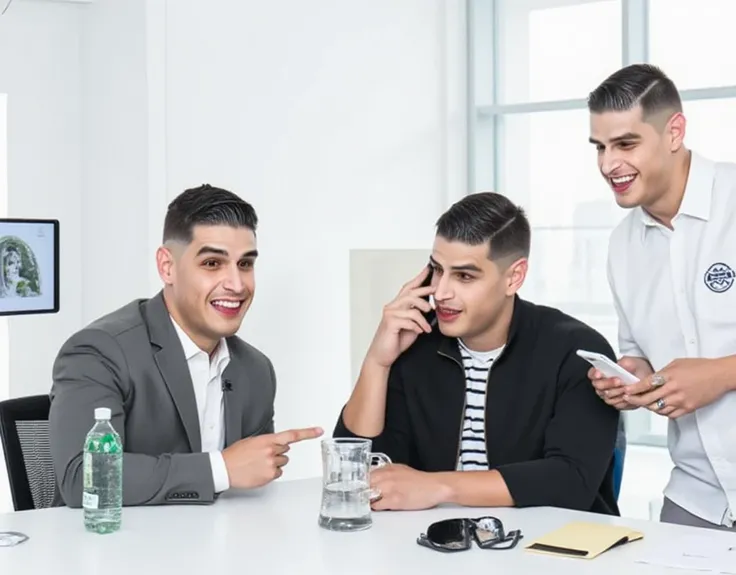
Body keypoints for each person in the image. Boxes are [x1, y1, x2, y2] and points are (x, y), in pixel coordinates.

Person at [333, 192, 621, 515]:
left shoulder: (576, 352)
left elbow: (571, 481)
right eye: (437, 269)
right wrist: (377, 362)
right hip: (436, 547)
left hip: (550, 551)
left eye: (464, 276)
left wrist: (438, 485)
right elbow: (356, 471)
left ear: (514, 277)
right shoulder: (416, 343)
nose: (441, 293)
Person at [50, 184, 323, 508]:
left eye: (245, 264)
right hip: (112, 553)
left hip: (218, 551)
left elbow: (247, 494)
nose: (236, 285)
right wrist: (221, 468)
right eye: (212, 264)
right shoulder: (99, 351)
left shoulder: (256, 370)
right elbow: (84, 478)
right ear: (167, 267)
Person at [587, 64, 736, 530]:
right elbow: (638, 354)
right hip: (696, 498)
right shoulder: (622, 246)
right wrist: (631, 378)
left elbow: (709, 375)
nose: (609, 164)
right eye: (600, 147)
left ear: (674, 132)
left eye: (626, 144)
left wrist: (721, 374)